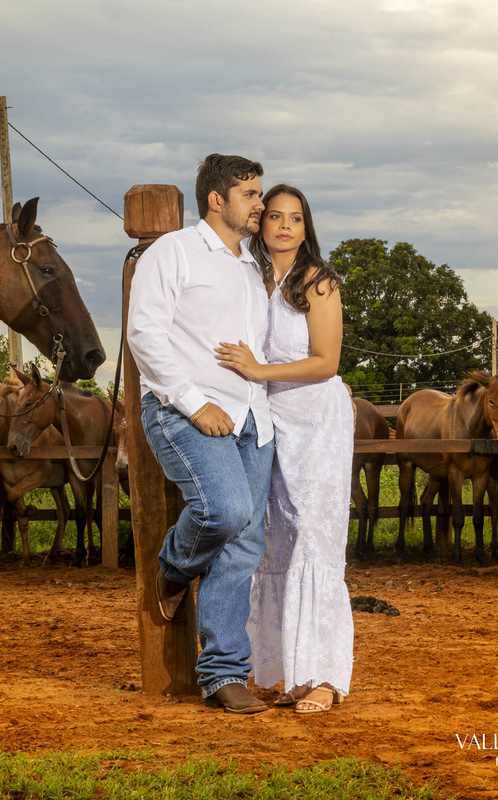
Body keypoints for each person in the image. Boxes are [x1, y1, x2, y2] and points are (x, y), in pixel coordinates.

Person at [127, 154, 276, 715]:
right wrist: (195, 404)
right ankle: (172, 568)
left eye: (259, 193)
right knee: (225, 510)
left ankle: (223, 673)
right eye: (250, 194)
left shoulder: (251, 267)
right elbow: (144, 334)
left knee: (244, 545)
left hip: (252, 418)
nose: (260, 204)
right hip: (183, 411)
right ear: (217, 200)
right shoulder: (174, 251)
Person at [214, 183, 355, 715]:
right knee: (276, 541)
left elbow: (326, 362)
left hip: (317, 421)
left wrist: (258, 370)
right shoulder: (249, 277)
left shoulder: (318, 281)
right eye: (275, 216)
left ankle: (324, 676)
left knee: (315, 538)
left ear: (306, 226)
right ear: (261, 221)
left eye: (296, 218)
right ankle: (287, 671)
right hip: (269, 419)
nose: (285, 226)